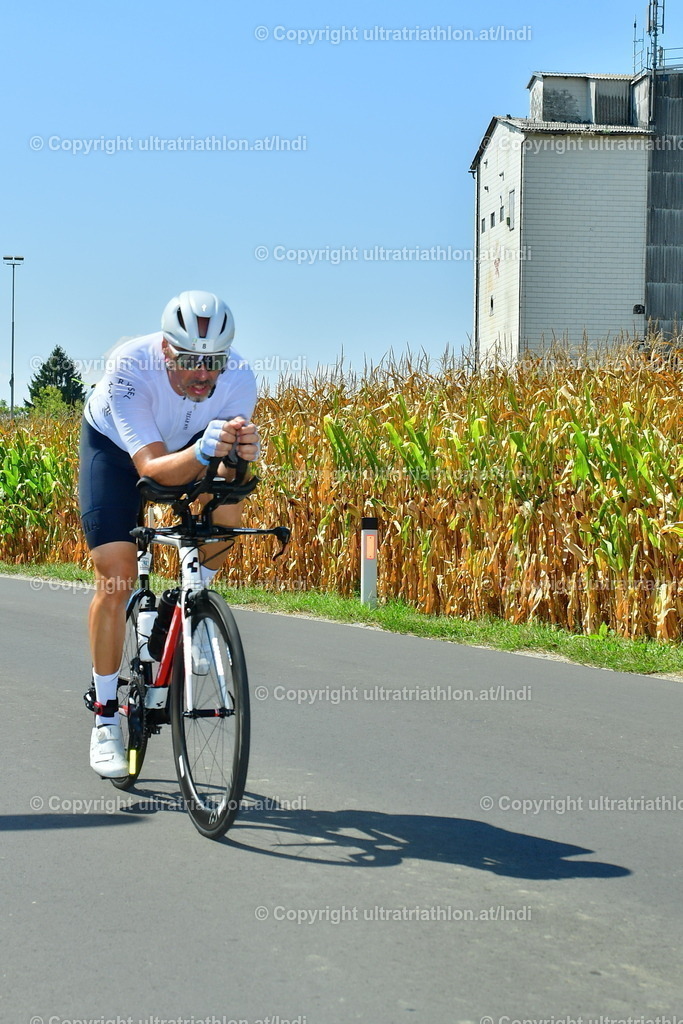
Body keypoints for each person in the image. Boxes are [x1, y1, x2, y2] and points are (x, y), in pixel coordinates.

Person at [78, 290, 260, 778]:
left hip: (191, 447)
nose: (205, 375)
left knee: (229, 508)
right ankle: (106, 715)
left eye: (214, 361)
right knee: (116, 575)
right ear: (165, 351)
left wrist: (241, 460)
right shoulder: (131, 367)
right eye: (191, 361)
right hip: (118, 451)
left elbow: (231, 481)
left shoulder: (239, 377)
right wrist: (206, 452)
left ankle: (189, 608)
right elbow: (154, 471)